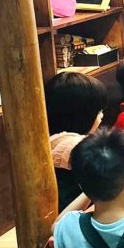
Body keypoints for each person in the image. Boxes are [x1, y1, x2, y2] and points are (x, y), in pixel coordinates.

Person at [45, 72, 108, 212]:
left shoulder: (54, 139)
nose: (102, 116)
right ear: (82, 115)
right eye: (98, 111)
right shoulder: (73, 144)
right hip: (73, 214)